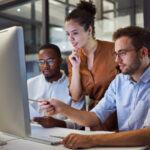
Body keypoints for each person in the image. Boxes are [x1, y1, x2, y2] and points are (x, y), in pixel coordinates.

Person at [39, 26, 150, 149]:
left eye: (122, 53)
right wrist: (61, 108)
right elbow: (94, 117)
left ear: (143, 53)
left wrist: (91, 139)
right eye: (116, 54)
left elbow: (148, 135)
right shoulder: (120, 81)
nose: (117, 60)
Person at [65, 0, 119, 131]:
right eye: (68, 34)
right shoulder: (73, 59)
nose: (70, 39)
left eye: (75, 33)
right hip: (94, 119)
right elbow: (76, 97)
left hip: (120, 117)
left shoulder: (114, 50)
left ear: (89, 30)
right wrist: (76, 67)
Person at [27, 43, 85, 129]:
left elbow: (80, 122)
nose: (46, 66)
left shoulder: (74, 86)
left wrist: (58, 123)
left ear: (60, 61)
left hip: (62, 135)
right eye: (41, 62)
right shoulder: (30, 84)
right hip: (33, 132)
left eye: (50, 61)